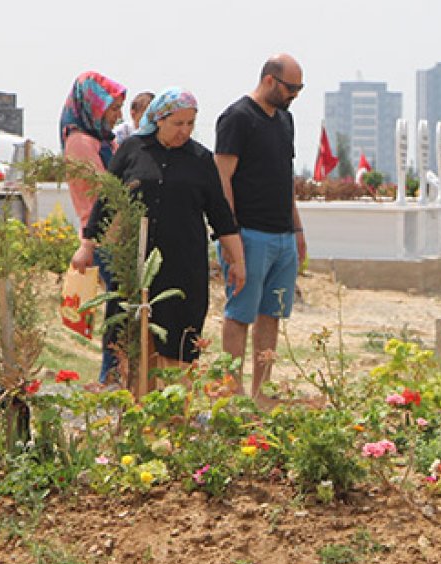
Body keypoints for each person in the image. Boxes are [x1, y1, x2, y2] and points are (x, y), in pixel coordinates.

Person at [72, 88, 244, 371]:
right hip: (134, 264)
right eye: (178, 123)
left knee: (178, 345)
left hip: (183, 268)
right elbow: (106, 202)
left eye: (190, 124)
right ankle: (133, 408)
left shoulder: (200, 160)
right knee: (129, 343)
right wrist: (87, 245)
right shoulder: (132, 151)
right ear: (159, 119)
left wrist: (238, 261)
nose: (184, 131)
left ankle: (175, 411)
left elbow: (222, 216)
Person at [215, 53, 306, 401]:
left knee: (272, 316)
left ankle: (262, 394)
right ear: (270, 80)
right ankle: (231, 394)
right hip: (249, 234)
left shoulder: (285, 120)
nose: (295, 95)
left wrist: (297, 230)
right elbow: (223, 177)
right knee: (240, 314)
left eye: (300, 89)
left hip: (282, 235)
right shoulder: (237, 118)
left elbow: (286, 180)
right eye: (291, 88)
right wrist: (230, 234)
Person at [60, 70, 125, 382]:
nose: (118, 116)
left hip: (118, 236)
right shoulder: (81, 143)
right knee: (118, 306)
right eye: (113, 109)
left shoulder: (103, 142)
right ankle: (109, 376)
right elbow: (103, 194)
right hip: (104, 238)